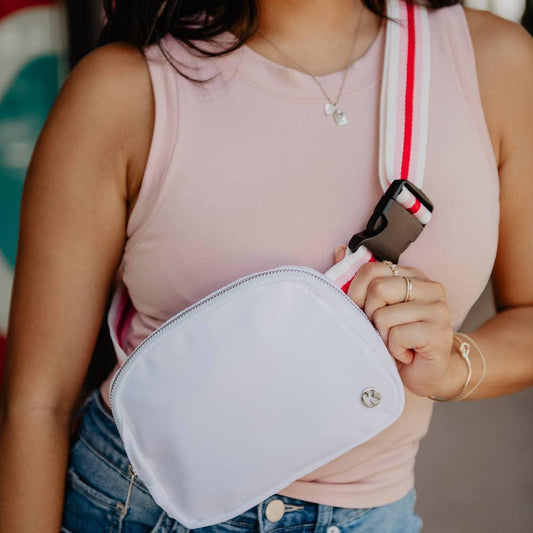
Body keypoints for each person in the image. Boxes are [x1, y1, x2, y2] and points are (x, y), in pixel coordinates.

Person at [1, 0, 532, 531]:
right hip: (140, 507)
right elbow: (37, 403)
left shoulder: (496, 64)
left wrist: (456, 363)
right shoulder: (122, 90)